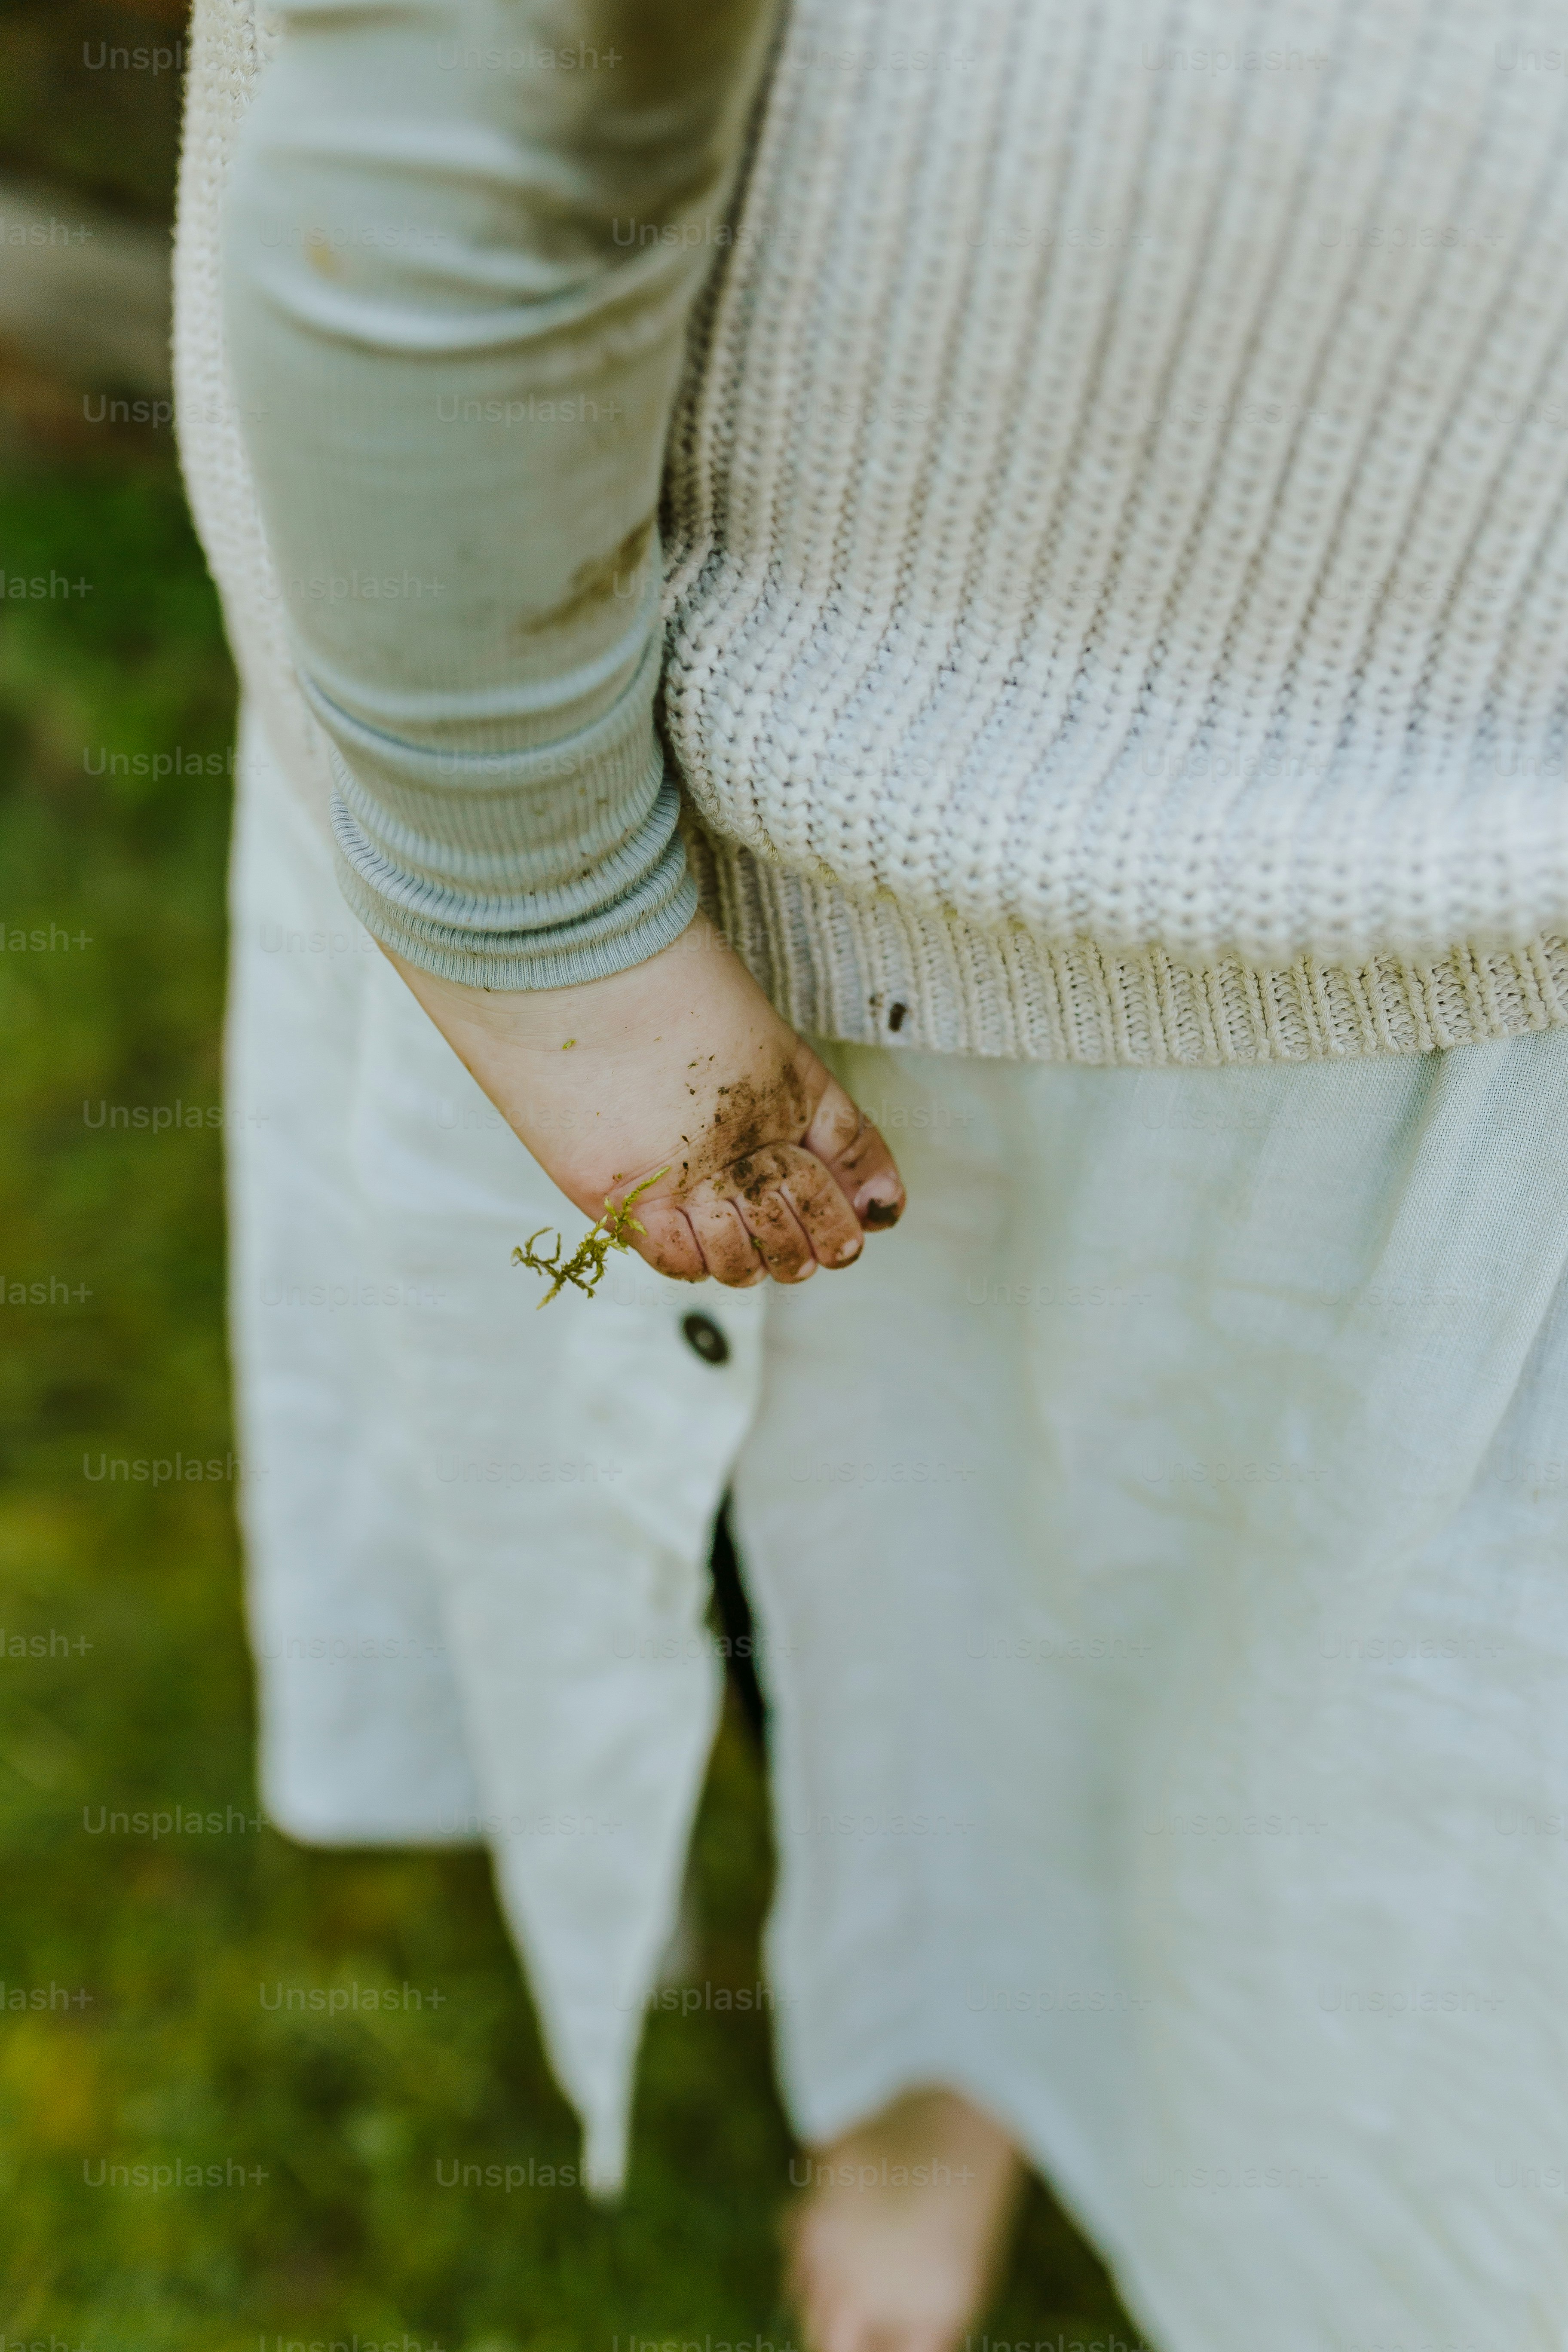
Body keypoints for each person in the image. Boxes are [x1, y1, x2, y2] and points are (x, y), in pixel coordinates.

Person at [175, 3, 1568, 2349]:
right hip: (840, 868)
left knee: (1272, 1642)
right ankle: (930, 2060)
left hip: (1483, 936)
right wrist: (534, 905)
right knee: (876, 1563)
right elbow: (473, 96)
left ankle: (1074, 2048)